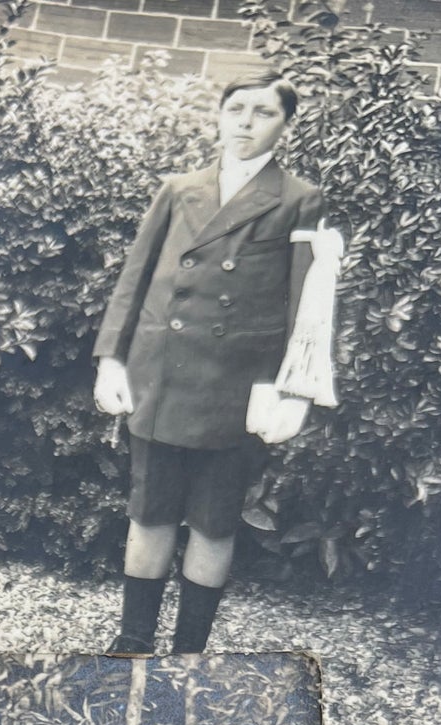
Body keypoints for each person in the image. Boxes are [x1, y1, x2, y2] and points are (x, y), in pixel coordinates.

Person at [92, 75, 326, 653]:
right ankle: (132, 640)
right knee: (149, 513)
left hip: (236, 385)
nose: (247, 122)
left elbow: (308, 304)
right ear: (219, 116)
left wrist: (295, 390)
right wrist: (110, 361)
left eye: (264, 112)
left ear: (284, 125)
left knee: (215, 521)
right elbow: (135, 279)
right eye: (237, 109)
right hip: (161, 373)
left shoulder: (300, 198)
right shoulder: (179, 189)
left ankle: (189, 653)